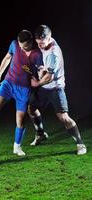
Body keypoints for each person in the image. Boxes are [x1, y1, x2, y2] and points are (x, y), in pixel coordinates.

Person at [0, 30, 43, 156]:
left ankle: (17, 147)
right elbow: (7, 57)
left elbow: (41, 71)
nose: (22, 48)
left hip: (24, 89)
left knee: (20, 119)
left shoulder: (37, 54)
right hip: (8, 83)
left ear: (31, 42)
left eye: (25, 46)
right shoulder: (14, 45)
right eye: (20, 46)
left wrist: (40, 79)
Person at [28, 24, 87, 155]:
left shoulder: (54, 54)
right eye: (38, 43)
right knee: (31, 109)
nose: (40, 46)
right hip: (44, 88)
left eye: (42, 43)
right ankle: (41, 134)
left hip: (55, 88)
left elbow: (49, 77)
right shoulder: (45, 42)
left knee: (64, 118)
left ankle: (80, 144)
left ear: (49, 39)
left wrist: (37, 83)